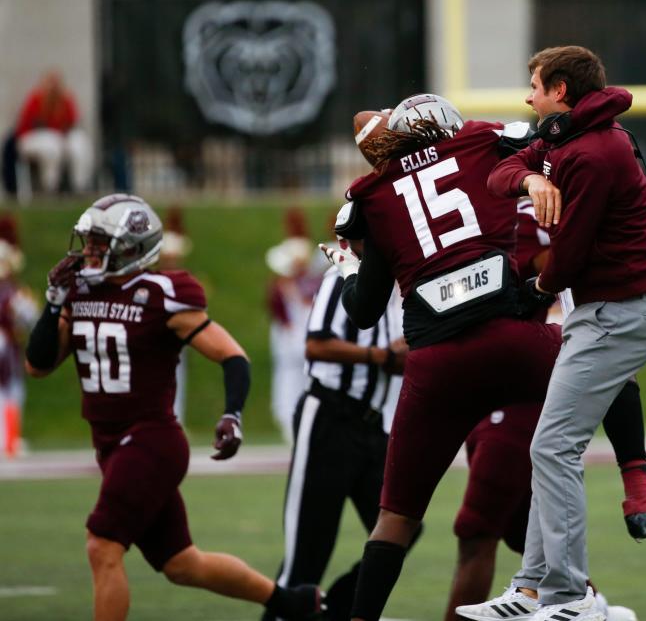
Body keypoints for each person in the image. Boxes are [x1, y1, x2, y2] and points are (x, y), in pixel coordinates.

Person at [320, 93, 563, 621]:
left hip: (436, 364)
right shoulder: (478, 142)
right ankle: (639, 487)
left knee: (395, 520)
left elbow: (362, 311)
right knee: (603, 368)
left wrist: (345, 267)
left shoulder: (372, 195)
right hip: (513, 340)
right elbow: (545, 142)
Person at [23, 194, 323, 620]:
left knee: (102, 544)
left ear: (131, 247)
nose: (87, 251)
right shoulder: (80, 294)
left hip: (150, 440)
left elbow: (232, 355)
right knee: (182, 564)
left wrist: (232, 414)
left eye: (98, 242)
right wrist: (54, 302)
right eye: (87, 241)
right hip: (110, 444)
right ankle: (292, 602)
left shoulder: (162, 293)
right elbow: (37, 366)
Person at [460, 45, 646, 620]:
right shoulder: (566, 137)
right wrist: (531, 178)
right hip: (602, 311)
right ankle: (534, 587)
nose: (526, 97)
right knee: (550, 448)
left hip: (621, 312)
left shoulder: (595, 150)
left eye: (533, 85)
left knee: (553, 447)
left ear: (559, 88)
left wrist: (531, 294)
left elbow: (571, 257)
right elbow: (497, 174)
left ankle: (566, 593)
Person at [445, 199, 646, 621]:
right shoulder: (496, 205)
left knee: (481, 524)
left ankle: (572, 595)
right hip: (497, 381)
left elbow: (559, 271)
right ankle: (559, 591)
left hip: (525, 382)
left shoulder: (535, 210)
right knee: (518, 519)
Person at [263, 232, 408, 621]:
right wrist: (382, 356)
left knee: (400, 528)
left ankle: (333, 611)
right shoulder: (341, 279)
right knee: (307, 553)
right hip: (329, 418)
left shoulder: (395, 288)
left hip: (371, 426)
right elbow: (317, 344)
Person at [265, 209, 321, 443]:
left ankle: (308, 427)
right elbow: (279, 312)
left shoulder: (312, 283)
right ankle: (290, 427)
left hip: (307, 343)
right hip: (290, 345)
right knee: (287, 387)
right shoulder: (280, 286)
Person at [14, 71, 93, 194]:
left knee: (80, 142)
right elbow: (27, 128)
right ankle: (50, 188)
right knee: (51, 145)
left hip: (59, 140)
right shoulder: (35, 99)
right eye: (50, 83)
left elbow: (72, 124)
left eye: (56, 83)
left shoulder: (65, 100)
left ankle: (79, 186)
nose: (53, 87)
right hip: (30, 140)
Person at [0, 215, 38, 456]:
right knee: (10, 393)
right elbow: (29, 316)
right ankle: (8, 439)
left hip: (10, 346)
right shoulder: (10, 292)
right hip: (5, 346)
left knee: (12, 393)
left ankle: (10, 439)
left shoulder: (12, 290)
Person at [158, 206, 193, 423]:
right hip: (157, 338)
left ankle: (175, 420)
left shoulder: (184, 282)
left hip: (178, 339)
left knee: (178, 381)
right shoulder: (155, 282)